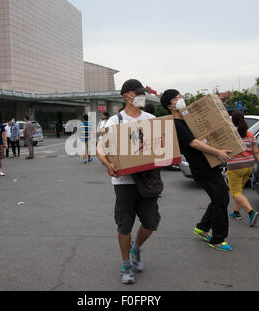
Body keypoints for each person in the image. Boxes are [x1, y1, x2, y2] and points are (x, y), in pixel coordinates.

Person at [96, 79, 160, 285]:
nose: (141, 96)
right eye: (138, 92)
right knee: (124, 225)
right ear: (126, 96)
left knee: (150, 223)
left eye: (143, 93)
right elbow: (100, 147)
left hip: (148, 179)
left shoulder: (151, 118)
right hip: (124, 182)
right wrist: (107, 163)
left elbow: (161, 146)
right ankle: (126, 264)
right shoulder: (115, 121)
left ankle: (136, 248)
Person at [160, 89, 233, 252]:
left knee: (219, 198)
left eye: (180, 96)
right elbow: (194, 143)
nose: (181, 99)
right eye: (176, 98)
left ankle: (202, 228)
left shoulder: (187, 119)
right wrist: (218, 153)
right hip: (201, 167)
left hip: (208, 164)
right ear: (170, 106)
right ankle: (217, 239)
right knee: (221, 199)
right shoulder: (176, 124)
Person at [227, 111, 259, 226]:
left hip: (235, 167)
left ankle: (251, 212)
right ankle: (236, 212)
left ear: (232, 120)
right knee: (239, 190)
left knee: (235, 192)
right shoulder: (250, 134)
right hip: (249, 166)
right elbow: (256, 152)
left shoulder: (230, 134)